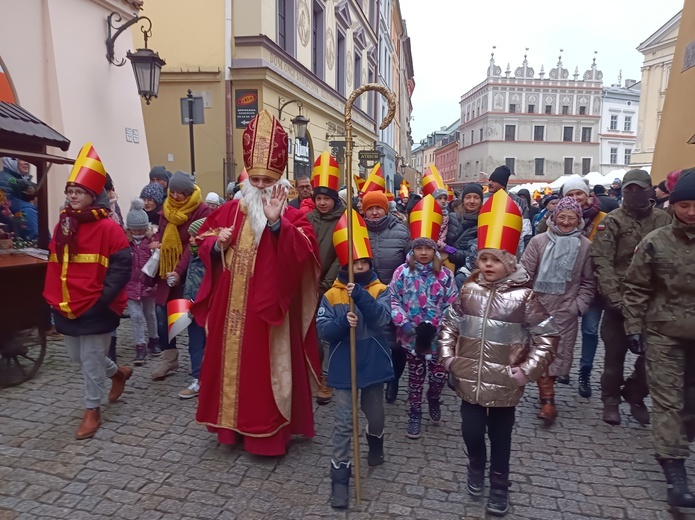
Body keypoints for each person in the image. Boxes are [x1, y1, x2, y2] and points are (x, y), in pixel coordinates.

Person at [191, 109, 321, 456]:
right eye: (257, 181)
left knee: (264, 374)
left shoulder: (293, 214)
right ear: (248, 179)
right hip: (230, 307)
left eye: (268, 181)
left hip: (269, 313)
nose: (261, 187)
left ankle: (266, 434)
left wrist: (278, 226)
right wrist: (216, 244)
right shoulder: (233, 209)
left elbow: (307, 254)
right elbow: (203, 237)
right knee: (229, 369)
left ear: (279, 180)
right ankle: (230, 430)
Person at [440, 188, 558, 516]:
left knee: (501, 438)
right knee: (472, 432)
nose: (489, 265)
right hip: (467, 380)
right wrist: (449, 357)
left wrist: (525, 371)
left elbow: (547, 337)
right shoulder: (468, 291)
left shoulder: (524, 298)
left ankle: (500, 485)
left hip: (506, 385)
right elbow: (449, 326)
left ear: (509, 262)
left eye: (496, 260)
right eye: (484, 259)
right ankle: (475, 466)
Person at [43, 143, 133, 440]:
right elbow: (56, 264)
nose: (72, 197)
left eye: (78, 192)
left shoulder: (110, 228)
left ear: (92, 195)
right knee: (75, 356)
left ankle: (91, 409)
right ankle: (117, 373)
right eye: (70, 191)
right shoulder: (63, 225)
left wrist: (102, 300)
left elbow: (121, 269)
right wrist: (56, 297)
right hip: (69, 302)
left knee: (91, 358)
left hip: (97, 305)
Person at [623, 168, 695, 508]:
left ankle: (679, 443)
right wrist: (634, 328)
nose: (691, 212)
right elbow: (636, 287)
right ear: (674, 205)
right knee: (668, 401)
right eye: (684, 205)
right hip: (664, 332)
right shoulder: (656, 241)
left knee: (691, 405)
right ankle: (675, 473)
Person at [316, 211, 393, 509]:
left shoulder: (380, 290)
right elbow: (324, 331)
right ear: (344, 265)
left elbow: (382, 318)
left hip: (372, 364)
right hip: (343, 367)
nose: (358, 268)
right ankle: (339, 477)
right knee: (344, 424)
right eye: (353, 264)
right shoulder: (332, 296)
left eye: (363, 263)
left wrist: (360, 296)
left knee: (374, 415)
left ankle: (376, 441)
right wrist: (340, 324)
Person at [591, 169, 672, 425]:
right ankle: (611, 401)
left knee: (653, 358)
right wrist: (615, 299)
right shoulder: (612, 221)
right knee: (614, 359)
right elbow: (602, 261)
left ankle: (635, 394)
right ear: (623, 191)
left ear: (650, 190)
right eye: (630, 189)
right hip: (620, 301)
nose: (635, 193)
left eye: (640, 188)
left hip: (654, 303)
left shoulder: (664, 220)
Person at [521, 197, 595, 424]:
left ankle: (547, 400)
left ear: (578, 220)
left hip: (565, 308)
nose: (565, 222)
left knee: (557, 353)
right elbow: (524, 273)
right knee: (537, 352)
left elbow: (589, 282)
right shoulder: (538, 241)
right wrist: (526, 301)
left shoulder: (585, 246)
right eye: (561, 217)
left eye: (571, 218)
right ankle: (547, 399)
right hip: (538, 306)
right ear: (554, 217)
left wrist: (578, 306)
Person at [390, 195, 457, 439]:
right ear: (413, 249)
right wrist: (404, 324)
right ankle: (415, 411)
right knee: (415, 378)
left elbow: (453, 304)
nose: (424, 252)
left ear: (434, 249)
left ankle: (434, 398)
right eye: (419, 247)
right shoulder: (402, 273)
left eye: (428, 248)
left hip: (438, 339)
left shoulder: (446, 276)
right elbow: (393, 299)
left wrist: (442, 329)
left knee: (438, 377)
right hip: (411, 337)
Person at [150, 170, 210, 380]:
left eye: (180, 193)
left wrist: (179, 271)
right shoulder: (167, 207)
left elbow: (192, 246)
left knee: (186, 316)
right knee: (161, 315)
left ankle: (199, 364)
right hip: (166, 270)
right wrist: (156, 240)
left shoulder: (202, 211)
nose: (175, 196)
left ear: (189, 192)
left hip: (188, 273)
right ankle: (170, 357)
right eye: (172, 192)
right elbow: (162, 230)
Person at [362, 190, 410, 403]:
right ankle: (373, 379)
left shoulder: (401, 231)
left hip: (395, 296)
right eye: (369, 208)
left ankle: (393, 379)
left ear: (385, 208)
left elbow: (411, 262)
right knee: (371, 340)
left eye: (378, 208)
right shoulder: (358, 231)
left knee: (396, 344)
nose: (374, 212)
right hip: (367, 295)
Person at [562, 176, 607, 398]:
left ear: (588, 195)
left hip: (594, 286)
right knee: (561, 330)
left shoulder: (604, 219)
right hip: (564, 286)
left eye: (578, 193)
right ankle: (562, 367)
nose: (575, 198)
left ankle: (585, 371)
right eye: (570, 195)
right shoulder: (559, 218)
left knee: (589, 330)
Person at [306, 151, 344, 406]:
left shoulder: (344, 220)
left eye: (326, 199)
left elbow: (342, 257)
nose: (321, 203)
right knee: (307, 333)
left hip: (329, 287)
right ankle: (310, 373)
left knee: (326, 335)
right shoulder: (306, 218)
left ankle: (326, 379)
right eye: (318, 198)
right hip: (306, 284)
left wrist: (325, 285)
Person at [124, 199, 158, 366]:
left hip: (147, 284)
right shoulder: (125, 243)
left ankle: (154, 339)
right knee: (136, 316)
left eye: (141, 229)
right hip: (131, 284)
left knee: (150, 314)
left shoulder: (150, 242)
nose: (138, 232)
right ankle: (140, 344)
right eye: (134, 229)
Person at [178, 217, 207, 399]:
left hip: (204, 308)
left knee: (206, 345)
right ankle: (198, 378)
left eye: (193, 236)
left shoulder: (209, 257)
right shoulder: (194, 254)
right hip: (191, 307)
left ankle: (205, 379)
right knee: (194, 345)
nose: (190, 240)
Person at [486, 165, 532, 252]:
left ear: (503, 185)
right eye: (490, 180)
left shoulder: (517, 202)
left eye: (494, 181)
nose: (490, 183)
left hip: (507, 249)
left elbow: (525, 228)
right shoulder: (484, 199)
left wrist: (522, 252)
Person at [447, 183, 483, 283]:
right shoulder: (451, 218)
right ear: (463, 199)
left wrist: (450, 254)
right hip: (445, 270)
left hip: (468, 273)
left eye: (476, 198)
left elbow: (475, 253)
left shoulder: (484, 222)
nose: (471, 201)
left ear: (481, 201)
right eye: (468, 197)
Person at [0, 157, 38, 240]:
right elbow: (6, 202)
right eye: (22, 159)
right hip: (12, 222)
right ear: (11, 161)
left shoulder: (20, 179)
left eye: (27, 159)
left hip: (18, 221)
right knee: (29, 211)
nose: (27, 163)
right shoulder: (5, 178)